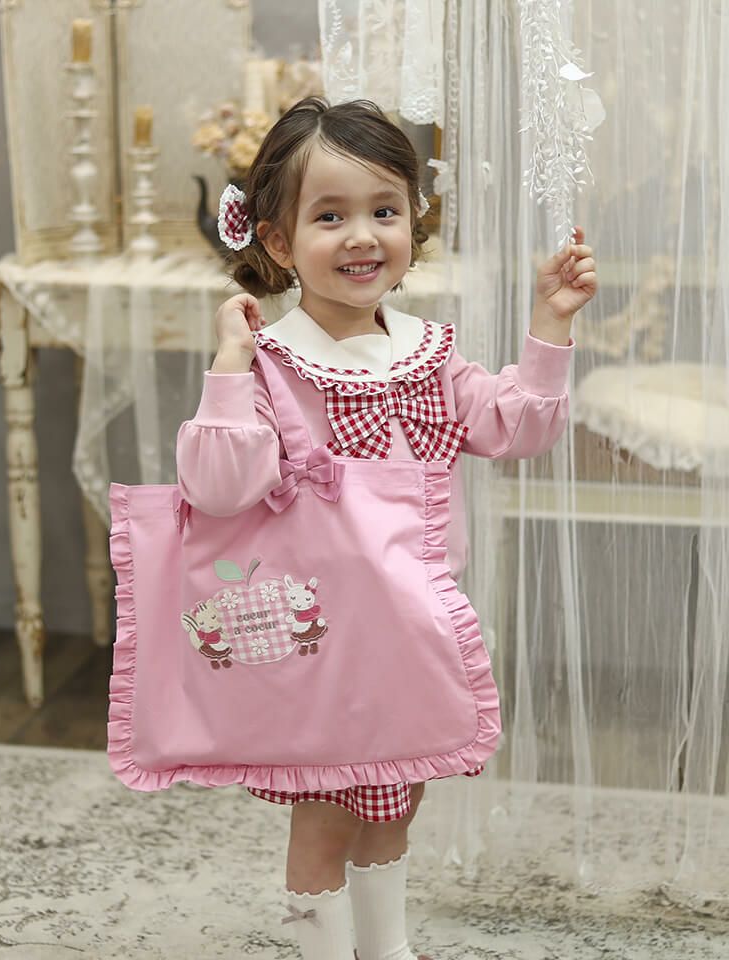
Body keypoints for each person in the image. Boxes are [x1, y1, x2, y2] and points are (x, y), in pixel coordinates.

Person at [176, 97, 597, 960]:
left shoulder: (429, 355)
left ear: (414, 221)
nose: (362, 236)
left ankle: (387, 946)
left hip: (414, 630)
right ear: (279, 242)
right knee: (327, 813)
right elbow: (217, 489)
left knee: (399, 799)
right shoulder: (273, 364)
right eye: (330, 216)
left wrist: (550, 323)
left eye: (384, 211)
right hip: (321, 643)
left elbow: (518, 426)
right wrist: (229, 363)